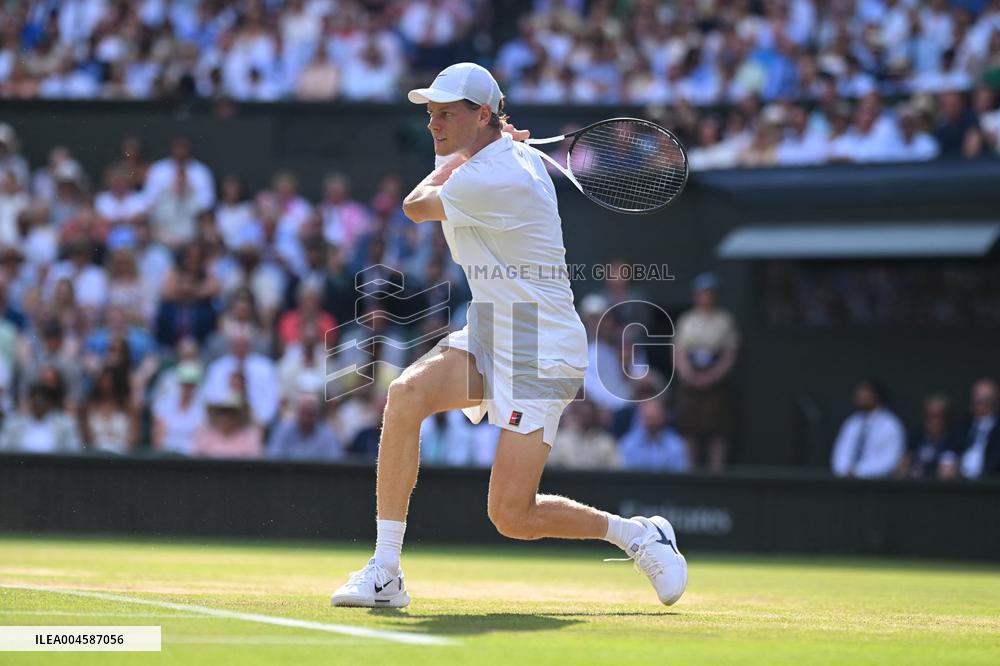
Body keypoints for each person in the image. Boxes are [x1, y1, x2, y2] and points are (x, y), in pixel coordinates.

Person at [331, 62, 687, 609]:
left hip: (542, 352)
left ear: (482, 114)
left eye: (446, 114)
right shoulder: (489, 155)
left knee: (511, 516)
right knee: (404, 397)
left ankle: (636, 534)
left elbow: (413, 206)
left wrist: (462, 158)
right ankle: (385, 571)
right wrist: (475, 147)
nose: (434, 125)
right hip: (492, 331)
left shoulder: (500, 173)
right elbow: (456, 165)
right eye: (430, 115)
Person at [675, 273, 740, 470]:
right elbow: (679, 351)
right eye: (703, 293)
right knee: (690, 427)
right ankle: (690, 470)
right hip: (691, 379)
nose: (706, 297)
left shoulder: (725, 320)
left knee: (717, 429)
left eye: (710, 293)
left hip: (715, 379)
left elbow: (730, 353)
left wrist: (712, 376)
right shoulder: (687, 320)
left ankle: (716, 473)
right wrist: (688, 374)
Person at [831, 379, 905, 479]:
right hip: (846, 484)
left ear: (876, 395)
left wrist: (858, 472)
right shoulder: (852, 422)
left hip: (877, 485)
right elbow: (841, 452)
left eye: (865, 391)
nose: (859, 394)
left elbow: (889, 460)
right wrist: (844, 471)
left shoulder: (891, 425)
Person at [940, 378, 1000, 479]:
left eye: (984, 400)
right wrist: (948, 460)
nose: (979, 405)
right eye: (976, 400)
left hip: (990, 483)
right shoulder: (964, 424)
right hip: (960, 481)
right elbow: (950, 447)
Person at [898, 394, 955, 479]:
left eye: (936, 416)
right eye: (928, 416)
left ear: (946, 419)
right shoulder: (916, 439)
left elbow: (948, 476)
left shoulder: (953, 442)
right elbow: (900, 471)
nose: (932, 421)